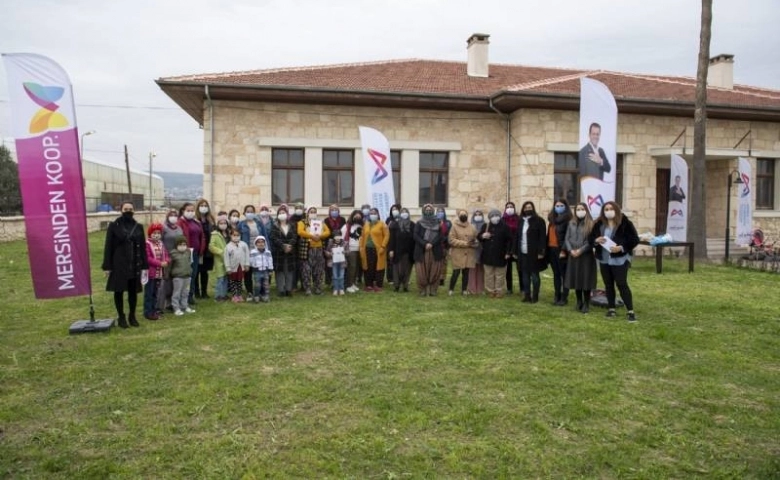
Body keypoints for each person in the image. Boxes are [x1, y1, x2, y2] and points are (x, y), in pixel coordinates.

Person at [590, 201, 640, 321]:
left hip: (620, 259)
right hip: (604, 259)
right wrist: (596, 240)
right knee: (608, 284)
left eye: (611, 209)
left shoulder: (625, 223)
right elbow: (590, 238)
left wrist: (621, 247)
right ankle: (611, 308)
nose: (608, 211)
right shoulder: (599, 224)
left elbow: (634, 239)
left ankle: (630, 311)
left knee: (621, 283)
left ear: (616, 210)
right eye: (606, 209)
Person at [102, 201, 149, 328]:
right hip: (119, 263)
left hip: (134, 263)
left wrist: (145, 266)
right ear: (121, 210)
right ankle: (121, 316)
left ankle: (132, 316)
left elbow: (143, 247)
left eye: (130, 208)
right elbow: (108, 246)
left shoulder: (138, 226)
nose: (128, 210)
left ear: (134, 210)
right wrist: (107, 266)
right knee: (119, 291)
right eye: (126, 208)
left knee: (133, 292)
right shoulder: (114, 225)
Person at [564, 202, 598, 313]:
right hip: (573, 255)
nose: (580, 211)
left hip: (586, 256)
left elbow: (590, 241)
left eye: (582, 209)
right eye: (578, 209)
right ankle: (579, 301)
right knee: (576, 278)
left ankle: (586, 303)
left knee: (585, 279)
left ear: (586, 210)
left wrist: (580, 250)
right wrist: (570, 250)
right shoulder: (571, 223)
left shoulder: (591, 224)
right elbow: (567, 238)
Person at [478, 208, 513, 298]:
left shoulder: (505, 227)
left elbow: (509, 240)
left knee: (500, 274)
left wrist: (508, 252)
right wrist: (483, 236)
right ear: (489, 218)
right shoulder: (486, 226)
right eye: (492, 216)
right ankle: (490, 290)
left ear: (500, 216)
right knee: (489, 274)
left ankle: (499, 290)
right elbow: (479, 236)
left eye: (496, 215)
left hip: (501, 254)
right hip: (488, 254)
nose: (495, 217)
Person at [516, 201, 547, 303]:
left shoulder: (539, 221)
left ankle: (535, 296)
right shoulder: (520, 221)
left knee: (534, 275)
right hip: (523, 252)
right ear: (523, 209)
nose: (528, 209)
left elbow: (542, 238)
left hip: (534, 253)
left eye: (530, 207)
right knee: (525, 275)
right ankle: (527, 295)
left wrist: (541, 252)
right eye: (526, 207)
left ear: (533, 208)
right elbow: (518, 237)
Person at [297, 206, 331, 295]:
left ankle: (318, 288)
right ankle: (307, 288)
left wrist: (320, 236)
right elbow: (300, 232)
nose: (313, 213)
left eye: (314, 211)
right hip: (307, 250)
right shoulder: (302, 222)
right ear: (307, 213)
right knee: (306, 270)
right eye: (311, 211)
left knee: (319, 270)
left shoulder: (320, 222)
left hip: (319, 249)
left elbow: (328, 232)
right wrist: (311, 236)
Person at [413, 204, 445, 296]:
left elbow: (440, 236)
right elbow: (415, 235)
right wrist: (425, 244)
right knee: (421, 271)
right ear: (423, 211)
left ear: (433, 211)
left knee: (435, 270)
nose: (428, 211)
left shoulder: (438, 223)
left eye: (430, 209)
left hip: (435, 250)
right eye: (426, 210)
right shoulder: (419, 223)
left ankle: (433, 289)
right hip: (421, 250)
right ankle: (422, 289)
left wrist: (432, 243)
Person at [177, 202, 205, 307]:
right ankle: (182, 297)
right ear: (183, 211)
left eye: (192, 210)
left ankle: (190, 296)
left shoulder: (196, 222)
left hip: (196, 253)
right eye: (188, 210)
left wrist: (201, 248)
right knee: (185, 276)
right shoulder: (180, 222)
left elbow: (202, 236)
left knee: (193, 275)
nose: (190, 212)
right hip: (185, 253)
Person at [447, 208, 478, 296]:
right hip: (458, 253)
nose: (463, 216)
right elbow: (451, 240)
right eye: (461, 214)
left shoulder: (472, 226)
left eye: (465, 214)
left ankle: (464, 290)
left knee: (466, 273)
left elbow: (476, 238)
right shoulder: (454, 226)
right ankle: (451, 289)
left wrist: (474, 242)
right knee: (456, 272)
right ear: (459, 216)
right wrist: (465, 243)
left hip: (469, 253)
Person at [547, 199, 572, 306]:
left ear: (566, 207)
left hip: (561, 250)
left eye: (561, 205)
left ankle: (564, 297)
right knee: (556, 274)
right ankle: (557, 295)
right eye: (557, 205)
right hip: (551, 250)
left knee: (564, 275)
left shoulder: (568, 221)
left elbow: (568, 237)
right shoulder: (552, 220)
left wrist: (564, 250)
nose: (559, 207)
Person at [270, 205, 298, 297]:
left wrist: (289, 245)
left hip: (290, 252)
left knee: (289, 271)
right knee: (280, 272)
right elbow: (274, 237)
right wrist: (283, 246)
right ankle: (281, 290)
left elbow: (295, 236)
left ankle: (289, 289)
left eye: (284, 213)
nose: (282, 214)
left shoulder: (292, 225)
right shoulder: (274, 226)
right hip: (279, 252)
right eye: (280, 213)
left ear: (287, 214)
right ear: (277, 215)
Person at [360, 207, 390, 292]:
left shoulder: (382, 224)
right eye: (371, 213)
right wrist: (361, 247)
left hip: (378, 249)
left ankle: (378, 285)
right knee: (368, 267)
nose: (373, 215)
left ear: (378, 214)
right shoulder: (366, 224)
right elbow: (362, 237)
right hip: (367, 249)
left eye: (374, 213)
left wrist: (383, 246)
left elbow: (387, 236)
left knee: (379, 267)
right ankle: (368, 284)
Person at [144, 222, 170, 321]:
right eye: (154, 233)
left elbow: (166, 254)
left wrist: (167, 261)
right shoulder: (147, 244)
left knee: (156, 293)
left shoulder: (161, 243)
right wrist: (159, 263)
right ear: (150, 233)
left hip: (159, 273)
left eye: (158, 233)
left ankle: (154, 310)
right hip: (151, 273)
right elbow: (148, 258)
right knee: (149, 293)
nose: (156, 235)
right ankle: (148, 312)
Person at [160, 208, 183, 313]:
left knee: (176, 279)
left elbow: (182, 240)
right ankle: (165, 301)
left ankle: (174, 301)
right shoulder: (163, 228)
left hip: (177, 257)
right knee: (166, 279)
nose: (173, 217)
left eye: (175, 215)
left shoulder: (179, 228)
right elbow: (159, 241)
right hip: (166, 257)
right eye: (171, 215)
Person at [388, 206, 415, 292]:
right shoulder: (395, 225)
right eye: (402, 212)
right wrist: (391, 250)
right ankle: (396, 285)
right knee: (397, 269)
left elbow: (414, 238)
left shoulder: (412, 225)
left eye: (406, 212)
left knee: (407, 268)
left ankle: (405, 285)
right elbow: (391, 238)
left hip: (409, 250)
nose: (404, 214)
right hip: (397, 250)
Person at [195, 198, 216, 299]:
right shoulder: (195, 219)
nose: (204, 207)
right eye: (202, 205)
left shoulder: (210, 219)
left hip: (208, 250)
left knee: (205, 271)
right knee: (196, 271)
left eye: (205, 205)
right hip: (198, 249)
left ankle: (204, 292)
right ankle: (196, 292)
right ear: (198, 207)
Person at [169, 236, 196, 316]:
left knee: (185, 292)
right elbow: (170, 266)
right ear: (176, 245)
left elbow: (190, 262)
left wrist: (190, 271)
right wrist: (169, 274)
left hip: (187, 276)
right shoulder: (173, 254)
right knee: (177, 293)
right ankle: (176, 308)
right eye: (180, 245)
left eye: (184, 245)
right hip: (178, 277)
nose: (182, 246)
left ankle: (184, 306)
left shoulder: (188, 252)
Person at [239, 204, 261, 296]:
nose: (250, 213)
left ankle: (258, 292)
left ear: (254, 213)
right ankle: (249, 292)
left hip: (258, 251)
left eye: (251, 211)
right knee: (247, 273)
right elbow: (237, 237)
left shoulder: (259, 223)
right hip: (246, 252)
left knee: (258, 273)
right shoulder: (241, 224)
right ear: (244, 213)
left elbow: (264, 236)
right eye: (248, 211)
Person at [208, 213, 230, 301]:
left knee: (225, 278)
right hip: (219, 259)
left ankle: (224, 294)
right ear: (218, 224)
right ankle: (218, 296)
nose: (223, 225)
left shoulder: (228, 233)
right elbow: (211, 246)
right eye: (221, 223)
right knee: (220, 278)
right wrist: (221, 252)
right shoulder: (215, 234)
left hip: (228, 259)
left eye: (225, 223)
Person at [225, 227, 250, 302]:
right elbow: (226, 258)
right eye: (234, 235)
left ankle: (239, 295)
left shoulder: (244, 244)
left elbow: (247, 255)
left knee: (239, 281)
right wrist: (228, 268)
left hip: (241, 266)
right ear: (231, 236)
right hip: (233, 267)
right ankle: (234, 295)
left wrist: (247, 264)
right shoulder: (228, 246)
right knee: (233, 281)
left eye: (238, 235)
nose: (236, 237)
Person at [324, 204, 346, 286]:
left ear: (338, 211)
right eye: (332, 210)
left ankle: (340, 281)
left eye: (335, 209)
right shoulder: (326, 220)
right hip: (330, 243)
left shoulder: (342, 219)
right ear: (329, 211)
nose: (334, 211)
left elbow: (344, 231)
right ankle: (330, 281)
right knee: (330, 262)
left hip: (340, 243)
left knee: (340, 262)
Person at [502, 201, 521, 294]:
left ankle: (523, 288)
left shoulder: (519, 219)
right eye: (508, 207)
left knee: (520, 268)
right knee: (508, 270)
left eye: (511, 207)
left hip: (517, 246)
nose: (509, 208)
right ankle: (509, 288)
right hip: (507, 247)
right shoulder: (502, 220)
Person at [343, 210, 364, 293]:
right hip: (351, 249)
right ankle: (349, 285)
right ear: (353, 216)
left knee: (357, 268)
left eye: (359, 216)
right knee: (352, 267)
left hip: (360, 249)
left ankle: (353, 283)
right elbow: (343, 237)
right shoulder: (347, 226)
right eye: (356, 216)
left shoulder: (362, 225)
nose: (357, 217)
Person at [249, 236, 274, 303]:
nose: (261, 244)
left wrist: (270, 269)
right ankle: (256, 296)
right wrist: (254, 266)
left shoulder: (268, 252)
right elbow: (251, 261)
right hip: (257, 271)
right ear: (256, 243)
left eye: (262, 242)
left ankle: (265, 296)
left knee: (266, 285)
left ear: (265, 243)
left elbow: (270, 261)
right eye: (259, 242)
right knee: (257, 285)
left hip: (265, 271)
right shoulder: (253, 252)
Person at [467, 209, 486, 295]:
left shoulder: (485, 225)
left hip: (482, 249)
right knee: (472, 269)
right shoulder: (470, 225)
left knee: (481, 269)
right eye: (476, 214)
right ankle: (472, 288)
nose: (478, 216)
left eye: (479, 214)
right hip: (472, 249)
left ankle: (480, 288)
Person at [385, 203, 402, 284]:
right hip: (390, 242)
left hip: (400, 243)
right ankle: (390, 278)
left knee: (400, 261)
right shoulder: (388, 220)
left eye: (396, 209)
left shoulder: (402, 219)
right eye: (393, 210)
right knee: (390, 261)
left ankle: (401, 277)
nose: (394, 211)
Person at [436, 206, 452, 287]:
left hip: (444, 245)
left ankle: (442, 279)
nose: (440, 212)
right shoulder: (434, 221)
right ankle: (436, 277)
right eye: (438, 211)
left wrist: (444, 239)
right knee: (436, 262)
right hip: (435, 245)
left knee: (444, 263)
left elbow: (450, 234)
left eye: (441, 211)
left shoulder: (448, 223)